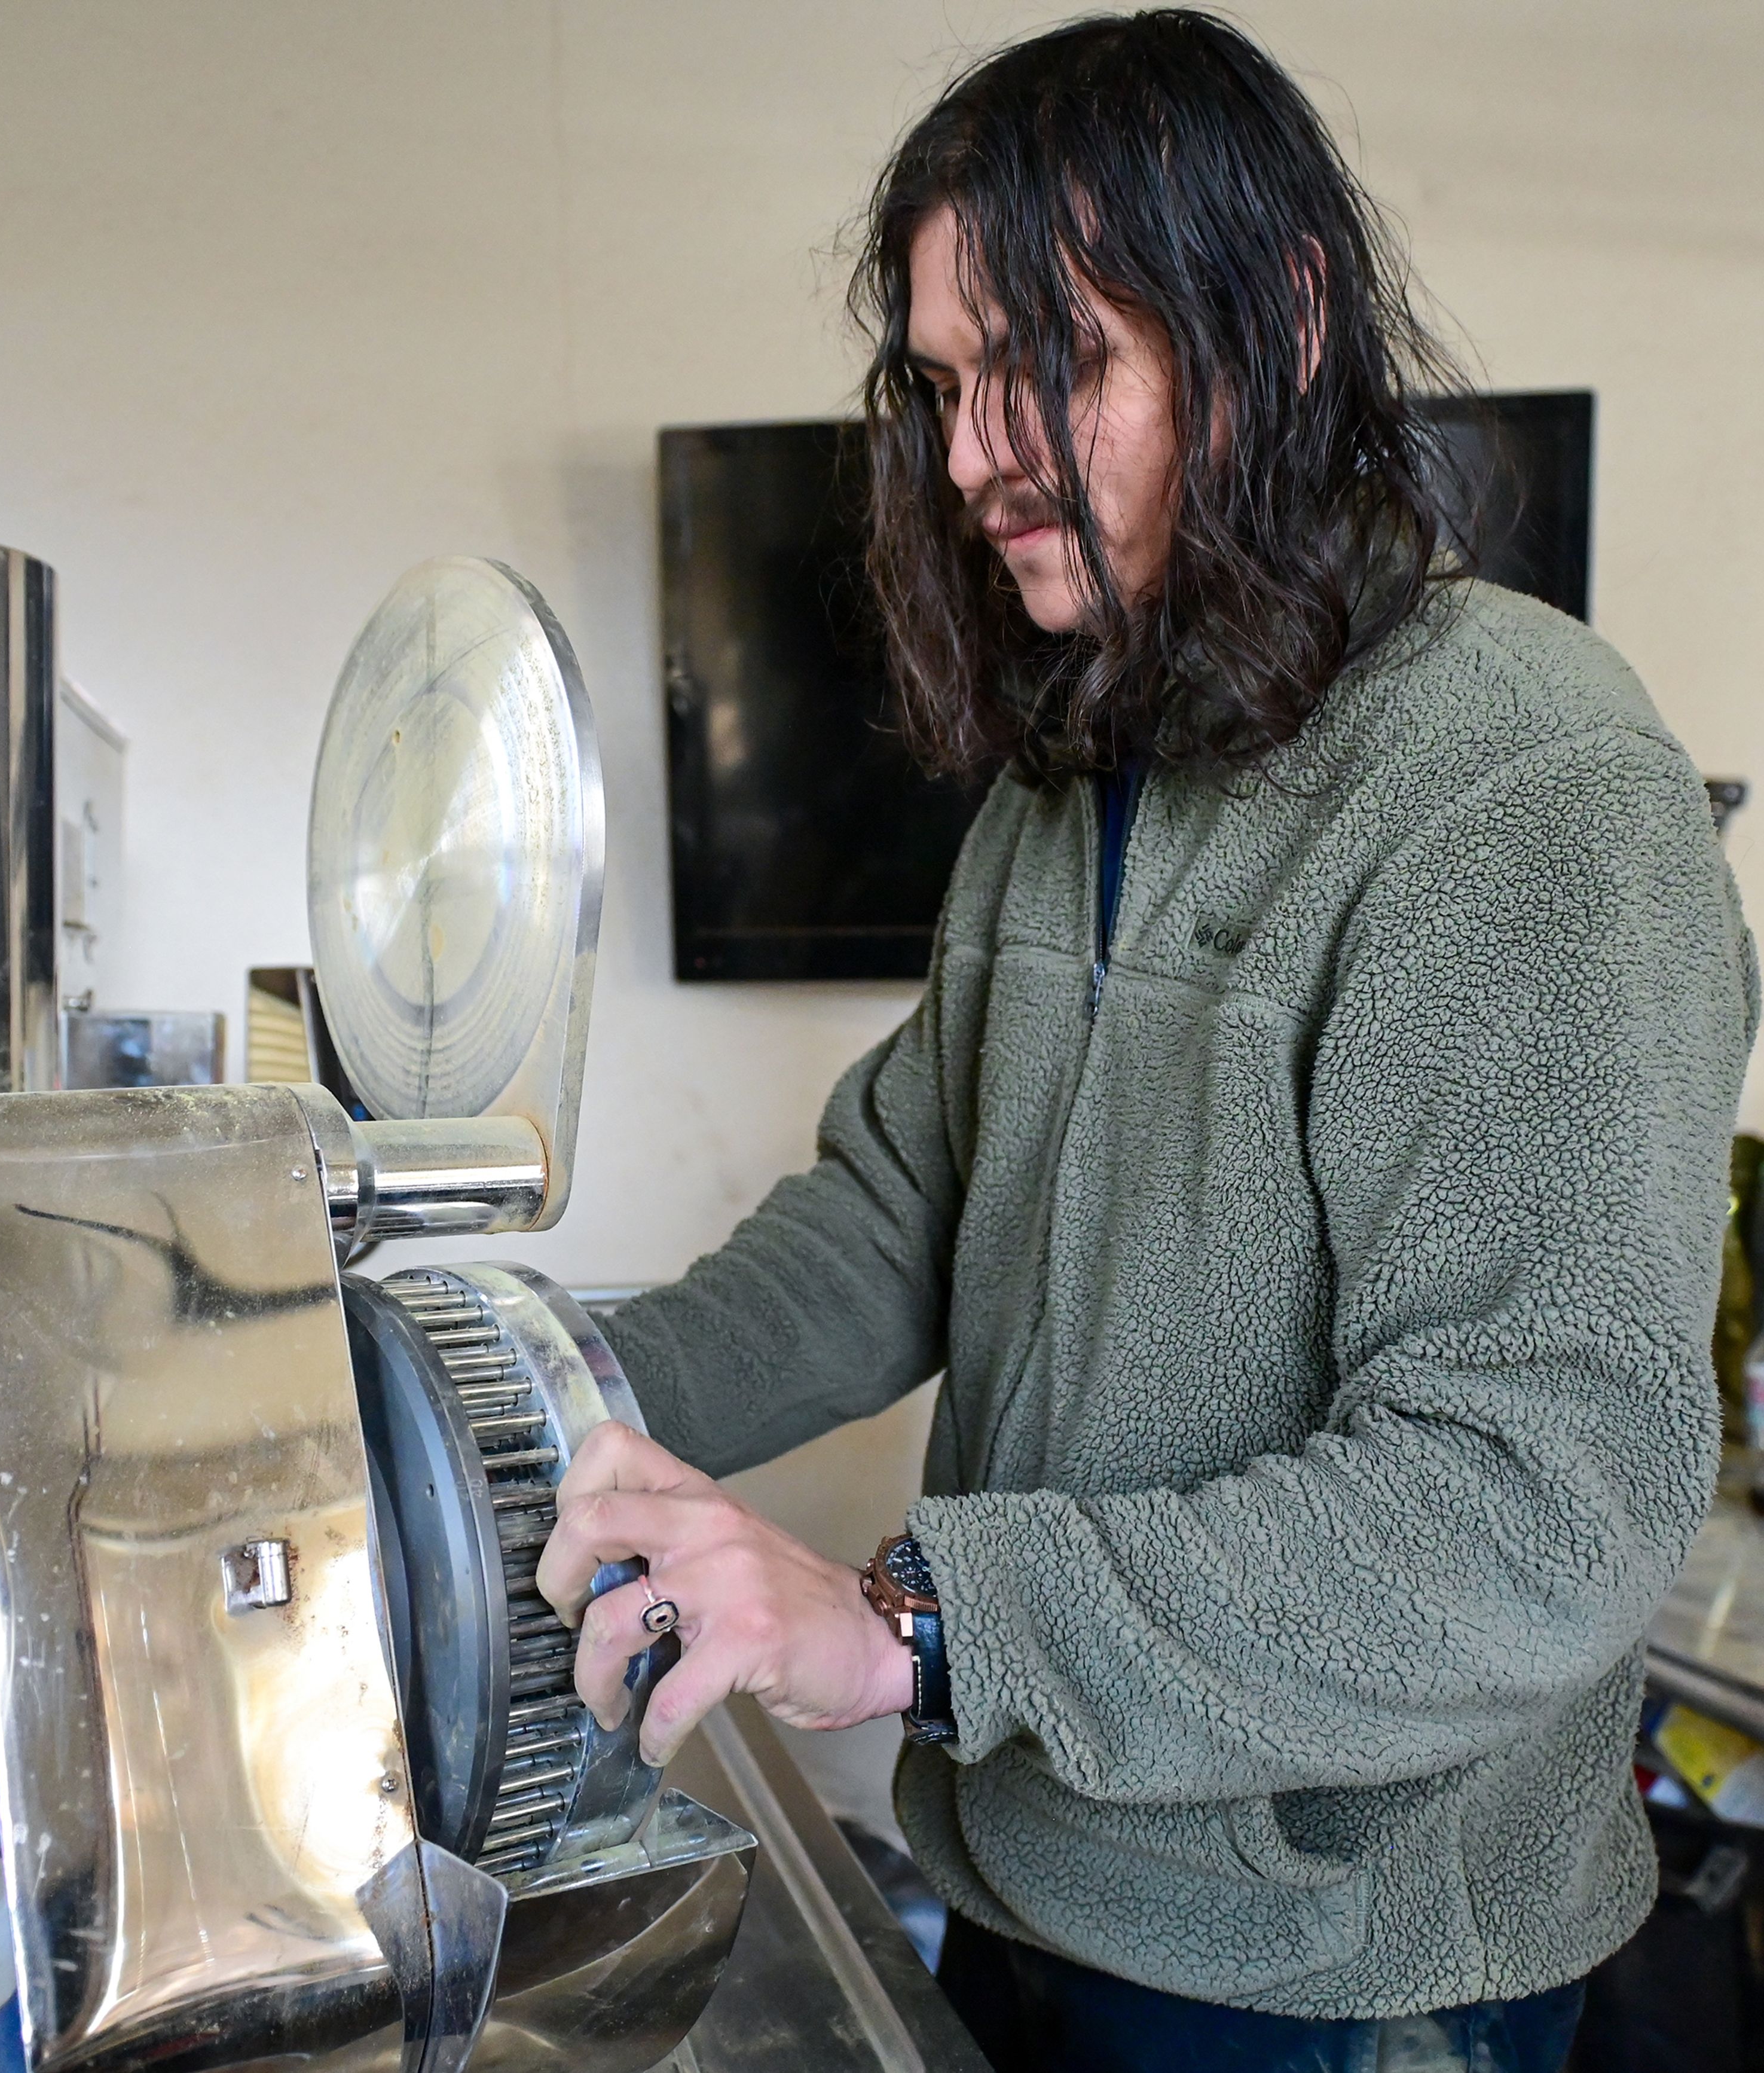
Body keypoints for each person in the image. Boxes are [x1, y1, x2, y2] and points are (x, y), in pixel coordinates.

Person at [531, 12, 1758, 2071]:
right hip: (1033, 1867)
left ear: (1272, 323)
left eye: (1050, 363)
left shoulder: (1527, 780)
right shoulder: (1066, 776)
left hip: (1344, 1979)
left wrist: (916, 1621)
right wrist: (540, 1403)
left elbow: (1542, 1501)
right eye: (941, 383)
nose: (970, 453)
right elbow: (894, 1215)